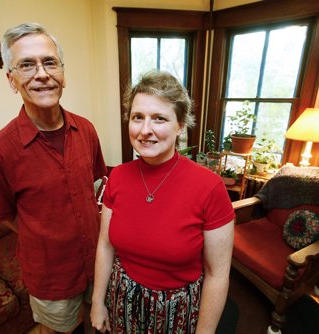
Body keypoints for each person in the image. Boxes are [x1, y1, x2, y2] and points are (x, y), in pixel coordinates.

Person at [0, 22, 107, 334]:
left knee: (100, 321)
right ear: (11, 80)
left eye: (49, 62)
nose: (41, 74)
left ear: (62, 73)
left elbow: (94, 185)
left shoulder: (86, 130)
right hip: (51, 275)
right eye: (26, 65)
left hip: (97, 261)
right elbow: (4, 214)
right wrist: (46, 234)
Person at [90, 70, 235, 333]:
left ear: (180, 125)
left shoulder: (209, 187)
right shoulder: (118, 176)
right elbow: (105, 245)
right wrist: (97, 301)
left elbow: (217, 274)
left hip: (176, 309)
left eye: (159, 118)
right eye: (138, 117)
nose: (145, 130)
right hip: (123, 298)